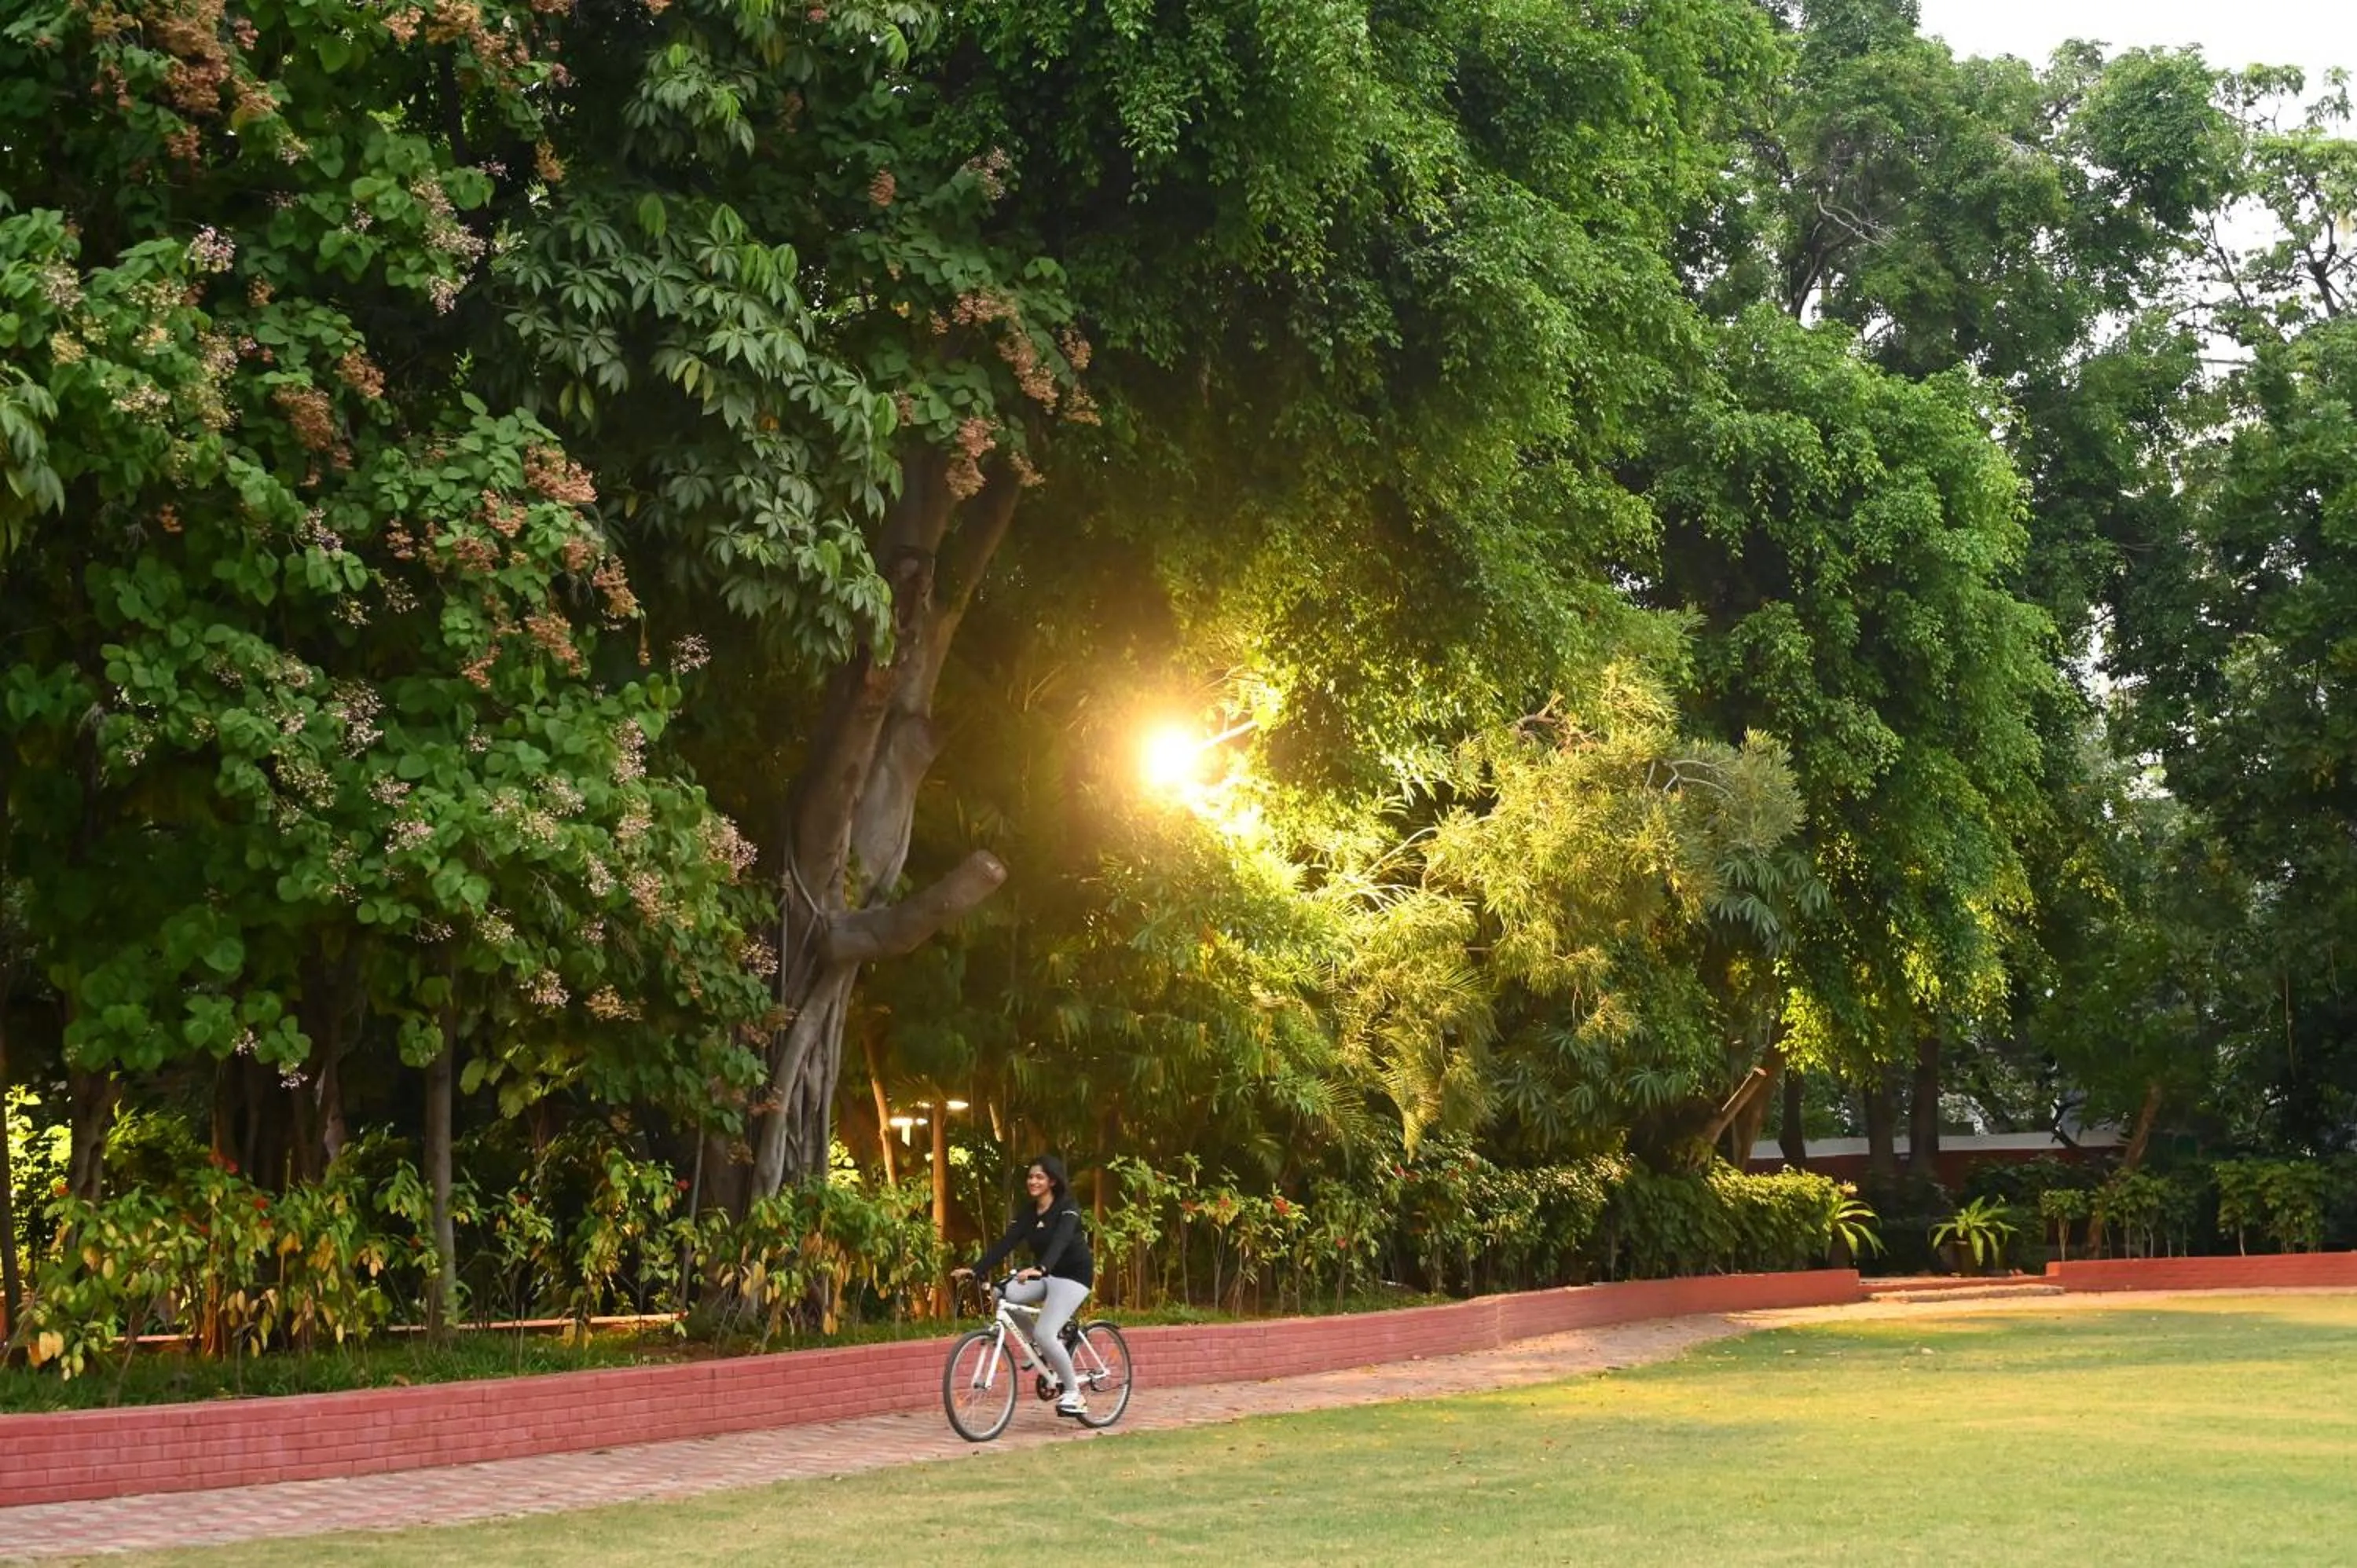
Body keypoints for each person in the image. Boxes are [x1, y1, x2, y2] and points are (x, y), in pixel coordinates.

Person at [952, 1154, 1095, 1416]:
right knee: (1001, 1293)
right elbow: (1005, 1244)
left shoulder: (1067, 1207)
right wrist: (975, 1270)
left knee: (1045, 1331)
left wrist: (1040, 1269)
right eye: (1030, 1177)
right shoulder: (1029, 1214)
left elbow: (1061, 1242)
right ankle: (1041, 1347)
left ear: (1052, 1181)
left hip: (1074, 1277)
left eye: (1039, 1177)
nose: (1033, 1181)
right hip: (1046, 1276)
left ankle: (1074, 1394)